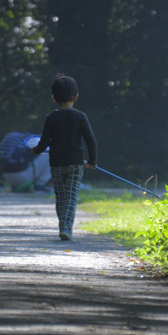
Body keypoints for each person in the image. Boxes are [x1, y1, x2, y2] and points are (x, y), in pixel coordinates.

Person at [32, 74, 98, 241]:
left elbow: (44, 142)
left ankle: (64, 225)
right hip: (75, 164)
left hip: (56, 164)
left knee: (61, 197)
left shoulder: (51, 118)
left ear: (53, 98)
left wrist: (35, 150)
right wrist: (92, 161)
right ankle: (66, 226)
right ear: (76, 97)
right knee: (71, 196)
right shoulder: (80, 116)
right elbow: (91, 140)